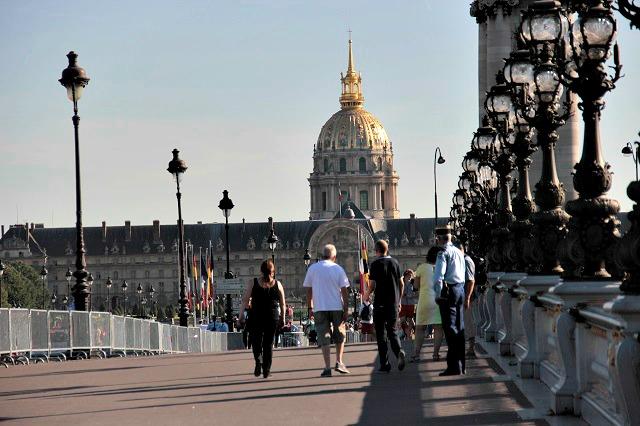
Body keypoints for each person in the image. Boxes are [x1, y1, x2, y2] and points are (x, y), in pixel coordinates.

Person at [303, 244, 351, 377]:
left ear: (322, 255)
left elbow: (308, 290)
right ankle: (339, 362)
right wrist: (346, 308)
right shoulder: (338, 269)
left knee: (324, 337)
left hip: (320, 307)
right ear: (334, 257)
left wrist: (310, 306)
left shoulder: (313, 268)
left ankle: (327, 367)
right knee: (340, 335)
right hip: (336, 306)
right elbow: (344, 291)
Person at [238, 259, 286, 378]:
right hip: (272, 316)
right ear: (273, 271)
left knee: (256, 341)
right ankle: (266, 370)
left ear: (261, 271)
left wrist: (241, 316)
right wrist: (283, 317)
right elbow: (283, 303)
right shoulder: (278, 284)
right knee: (268, 344)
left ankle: (258, 360)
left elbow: (245, 299)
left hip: (256, 316)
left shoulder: (253, 283)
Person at [365, 239, 406, 373]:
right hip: (393, 303)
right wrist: (399, 300)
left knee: (381, 335)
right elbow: (402, 284)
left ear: (376, 251)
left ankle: (385, 364)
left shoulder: (375, 264)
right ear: (387, 249)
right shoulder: (395, 262)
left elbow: (372, 285)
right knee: (392, 331)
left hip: (380, 303)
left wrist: (366, 295)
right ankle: (399, 351)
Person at [433, 226, 467, 376]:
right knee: (460, 328)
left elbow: (438, 277)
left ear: (439, 239)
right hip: (460, 289)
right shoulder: (459, 252)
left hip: (449, 291)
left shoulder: (443, 253)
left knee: (450, 329)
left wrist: (438, 295)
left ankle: (454, 366)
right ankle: (462, 364)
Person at [410, 246, 445, 362]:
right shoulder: (443, 268)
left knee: (420, 328)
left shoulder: (421, 268)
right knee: (438, 328)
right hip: (438, 300)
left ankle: (416, 354)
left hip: (424, 300)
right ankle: (435, 354)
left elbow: (415, 286)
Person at [453, 241, 477, 358]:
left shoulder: (466, 261)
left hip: (466, 298)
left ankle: (471, 349)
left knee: (468, 323)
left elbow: (471, 281)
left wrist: (467, 298)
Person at [399, 269, 417, 341]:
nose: (410, 277)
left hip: (410, 304)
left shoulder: (413, 283)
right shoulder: (401, 282)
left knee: (410, 320)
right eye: (408, 275)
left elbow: (416, 293)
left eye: (411, 275)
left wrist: (410, 295)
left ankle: (410, 333)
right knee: (402, 320)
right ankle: (407, 333)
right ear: (405, 275)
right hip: (403, 303)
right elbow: (400, 293)